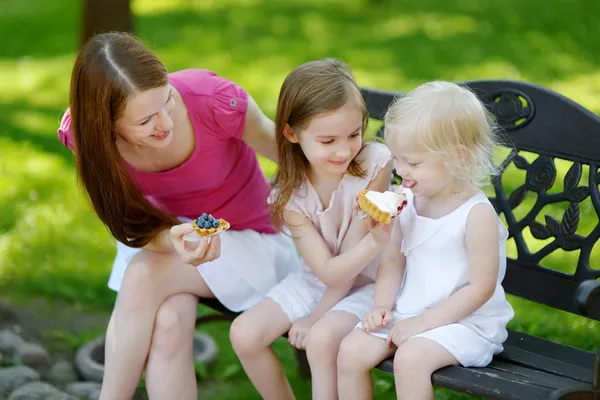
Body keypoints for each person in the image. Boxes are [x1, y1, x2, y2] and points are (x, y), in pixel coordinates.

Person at [57, 32, 301, 400]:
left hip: (254, 244)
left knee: (143, 273)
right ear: (106, 126)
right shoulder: (87, 136)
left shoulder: (214, 101)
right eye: (144, 122)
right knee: (169, 321)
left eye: (167, 100)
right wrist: (167, 238)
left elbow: (297, 158)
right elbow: (125, 221)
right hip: (161, 241)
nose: (165, 123)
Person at [336, 81, 515, 400]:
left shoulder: (475, 216)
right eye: (397, 159)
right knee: (350, 351)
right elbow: (393, 261)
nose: (401, 170)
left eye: (413, 163)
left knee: (410, 359)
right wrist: (381, 306)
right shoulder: (405, 199)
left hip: (465, 322)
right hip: (409, 310)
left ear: (458, 156)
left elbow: (481, 288)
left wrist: (424, 322)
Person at [228, 58, 394, 400]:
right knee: (244, 334)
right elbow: (327, 273)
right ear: (291, 133)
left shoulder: (373, 165)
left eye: (353, 134)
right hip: (322, 278)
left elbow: (349, 266)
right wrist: (313, 312)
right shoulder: (290, 197)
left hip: (371, 283)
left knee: (321, 339)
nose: (344, 150)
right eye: (328, 140)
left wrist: (315, 318)